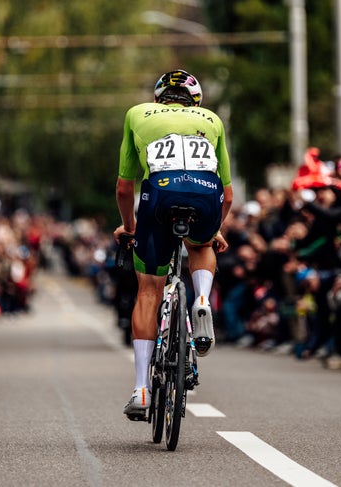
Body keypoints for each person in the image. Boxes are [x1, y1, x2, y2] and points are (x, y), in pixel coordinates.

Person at [114, 69, 232, 419]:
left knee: (149, 292)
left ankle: (141, 390)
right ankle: (200, 299)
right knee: (200, 246)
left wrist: (129, 227)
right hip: (207, 196)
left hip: (160, 193)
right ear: (196, 100)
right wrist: (215, 229)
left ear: (157, 98)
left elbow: (124, 187)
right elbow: (228, 194)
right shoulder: (212, 119)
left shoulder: (137, 114)